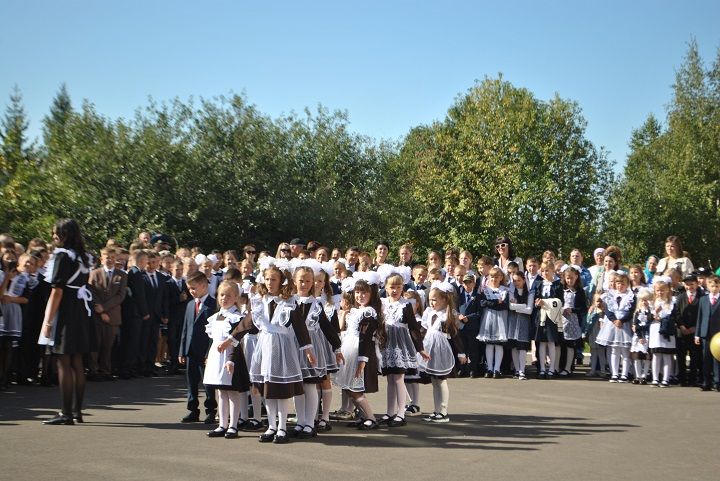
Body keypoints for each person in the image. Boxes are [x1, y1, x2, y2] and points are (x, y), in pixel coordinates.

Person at [39, 219, 94, 425]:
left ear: (65, 235)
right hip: (79, 309)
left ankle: (66, 413)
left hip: (67, 310)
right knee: (77, 362)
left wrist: (48, 320)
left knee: (63, 361)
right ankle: (76, 411)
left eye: (57, 234)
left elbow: (57, 290)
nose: (53, 237)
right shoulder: (84, 257)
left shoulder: (62, 256)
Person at [290, 263, 342, 439]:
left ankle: (309, 423)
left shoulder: (316, 304)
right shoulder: (290, 302)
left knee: (310, 385)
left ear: (313, 282)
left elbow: (327, 328)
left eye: (307, 281)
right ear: (294, 281)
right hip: (292, 347)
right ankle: (300, 421)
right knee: (298, 387)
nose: (304, 284)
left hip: (312, 347)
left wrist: (337, 348)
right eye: (301, 280)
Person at [378, 272, 428, 427]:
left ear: (402, 288)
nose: (395, 290)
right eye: (392, 287)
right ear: (386, 288)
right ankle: (390, 411)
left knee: (399, 378)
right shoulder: (382, 303)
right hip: (386, 343)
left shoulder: (406, 305)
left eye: (398, 287)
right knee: (390, 379)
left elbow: (413, 328)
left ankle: (400, 413)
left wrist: (420, 349)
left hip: (400, 344)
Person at [332, 274, 381, 430]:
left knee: (355, 388)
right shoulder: (356, 310)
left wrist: (362, 361)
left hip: (358, 352)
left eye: (365, 292)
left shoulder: (369, 312)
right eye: (358, 292)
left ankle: (371, 418)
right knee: (348, 388)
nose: (360, 296)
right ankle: (363, 415)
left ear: (371, 293)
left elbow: (365, 338)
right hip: (349, 349)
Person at [203, 281, 251, 439]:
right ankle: (222, 424)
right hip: (217, 356)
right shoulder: (216, 316)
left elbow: (237, 342)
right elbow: (213, 339)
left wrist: (231, 360)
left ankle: (233, 425)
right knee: (221, 391)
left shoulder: (236, 317)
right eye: (221, 295)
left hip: (231, 357)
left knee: (232, 391)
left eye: (229, 296)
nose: (224, 298)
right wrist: (208, 356)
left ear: (236, 297)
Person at [419, 281, 466, 423]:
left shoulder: (448, 315)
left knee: (441, 380)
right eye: (430, 300)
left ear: (444, 299)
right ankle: (436, 410)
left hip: (442, 351)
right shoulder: (429, 313)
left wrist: (461, 353)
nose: (431, 303)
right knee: (434, 381)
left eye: (435, 300)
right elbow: (424, 331)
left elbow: (455, 335)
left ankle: (444, 411)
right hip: (430, 350)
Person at [178, 271, 218, 423]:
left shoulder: (213, 305)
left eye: (194, 288)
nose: (191, 291)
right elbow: (185, 329)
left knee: (208, 383)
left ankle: (211, 411)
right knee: (191, 382)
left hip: (205, 351)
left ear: (203, 285)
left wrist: (209, 353)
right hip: (190, 351)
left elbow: (214, 333)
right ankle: (193, 410)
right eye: (189, 289)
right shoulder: (190, 304)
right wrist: (182, 350)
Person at [87, 247, 127, 381]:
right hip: (96, 315)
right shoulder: (94, 273)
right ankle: (93, 371)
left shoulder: (121, 275)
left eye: (112, 257)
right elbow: (91, 292)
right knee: (95, 345)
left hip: (112, 316)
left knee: (108, 346)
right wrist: (100, 310)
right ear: (101, 258)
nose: (109, 260)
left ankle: (106, 371)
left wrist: (104, 308)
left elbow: (120, 296)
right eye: (107, 257)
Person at [597, 272, 636, 383]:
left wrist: (622, 320)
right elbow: (608, 310)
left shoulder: (631, 295)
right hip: (612, 324)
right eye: (618, 283)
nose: (620, 286)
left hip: (625, 324)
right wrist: (614, 320)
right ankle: (614, 373)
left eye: (622, 283)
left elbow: (631, 311)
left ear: (627, 284)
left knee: (625, 351)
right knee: (614, 350)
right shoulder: (611, 294)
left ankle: (624, 374)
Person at [477, 267, 509, 378]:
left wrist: (492, 303)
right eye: (492, 276)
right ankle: (490, 368)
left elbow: (505, 305)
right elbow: (482, 303)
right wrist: (496, 301)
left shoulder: (505, 290)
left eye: (496, 277)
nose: (494, 279)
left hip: (500, 317)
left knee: (499, 343)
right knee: (489, 343)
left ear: (501, 278)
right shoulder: (485, 289)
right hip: (488, 317)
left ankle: (497, 369)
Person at [533, 261, 562, 378]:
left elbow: (560, 301)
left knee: (551, 342)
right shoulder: (539, 283)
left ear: (552, 271)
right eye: (543, 271)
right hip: (541, 316)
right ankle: (542, 368)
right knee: (541, 342)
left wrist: (546, 302)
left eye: (547, 271)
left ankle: (551, 369)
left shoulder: (558, 284)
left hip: (552, 317)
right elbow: (535, 298)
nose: (545, 273)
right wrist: (537, 303)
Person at [649, 277, 678, 387]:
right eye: (658, 290)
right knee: (656, 355)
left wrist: (665, 318)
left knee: (667, 355)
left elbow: (675, 316)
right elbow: (646, 318)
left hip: (667, 331)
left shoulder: (672, 302)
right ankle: (655, 378)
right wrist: (653, 314)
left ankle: (666, 379)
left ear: (667, 290)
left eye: (662, 290)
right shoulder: (652, 302)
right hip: (655, 330)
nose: (660, 292)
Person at [558, 266, 586, 376]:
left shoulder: (579, 292)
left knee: (571, 345)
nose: (569, 280)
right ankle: (559, 366)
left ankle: (568, 367)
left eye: (572, 278)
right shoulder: (561, 290)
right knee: (561, 345)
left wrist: (573, 310)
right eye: (567, 278)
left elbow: (583, 308)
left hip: (573, 321)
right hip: (561, 320)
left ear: (576, 277)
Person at [675, 274, 703, 386]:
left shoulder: (702, 297)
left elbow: (703, 315)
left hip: (695, 331)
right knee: (681, 356)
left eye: (692, 284)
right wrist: (681, 326)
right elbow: (676, 313)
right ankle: (682, 378)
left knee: (695, 356)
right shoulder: (680, 297)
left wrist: (695, 328)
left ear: (697, 284)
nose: (689, 287)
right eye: (687, 284)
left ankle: (693, 379)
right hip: (681, 331)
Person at [695, 275, 720, 391]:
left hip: (718, 334)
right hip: (705, 333)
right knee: (706, 358)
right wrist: (697, 334)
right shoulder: (703, 299)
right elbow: (700, 317)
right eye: (712, 286)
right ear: (707, 286)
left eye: (717, 286)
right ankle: (706, 382)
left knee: (717, 359)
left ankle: (717, 382)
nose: (714, 288)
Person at [507, 271, 534, 380]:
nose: (516, 282)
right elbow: (510, 307)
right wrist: (522, 307)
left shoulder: (530, 293)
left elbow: (529, 310)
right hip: (513, 322)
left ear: (524, 280)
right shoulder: (511, 292)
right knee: (514, 347)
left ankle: (522, 370)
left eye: (519, 280)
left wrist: (517, 306)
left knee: (522, 348)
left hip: (524, 323)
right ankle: (517, 370)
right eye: (514, 280)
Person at [631, 288, 653, 384]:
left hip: (648, 336)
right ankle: (638, 375)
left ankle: (644, 375)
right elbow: (635, 325)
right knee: (637, 356)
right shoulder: (637, 313)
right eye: (642, 300)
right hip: (639, 337)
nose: (644, 302)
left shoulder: (650, 313)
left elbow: (650, 324)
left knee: (647, 356)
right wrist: (640, 337)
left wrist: (642, 328)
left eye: (646, 300)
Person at [584, 293, 607, 377]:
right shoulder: (592, 311)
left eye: (601, 301)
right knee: (593, 353)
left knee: (601, 353)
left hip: (601, 334)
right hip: (593, 334)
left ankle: (603, 371)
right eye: (597, 301)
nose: (599, 303)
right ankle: (592, 370)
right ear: (594, 301)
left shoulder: (605, 312)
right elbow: (588, 322)